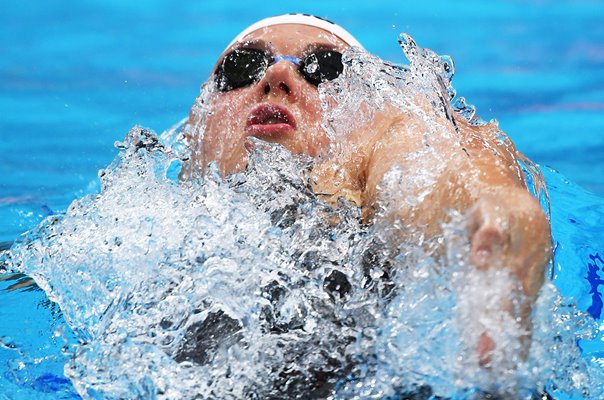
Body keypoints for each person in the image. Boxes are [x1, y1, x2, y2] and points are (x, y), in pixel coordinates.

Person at [181, 14, 552, 367]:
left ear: (368, 126)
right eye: (242, 67)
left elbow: (433, 156)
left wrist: (492, 209)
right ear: (192, 130)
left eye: (326, 71)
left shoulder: (389, 145)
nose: (278, 74)